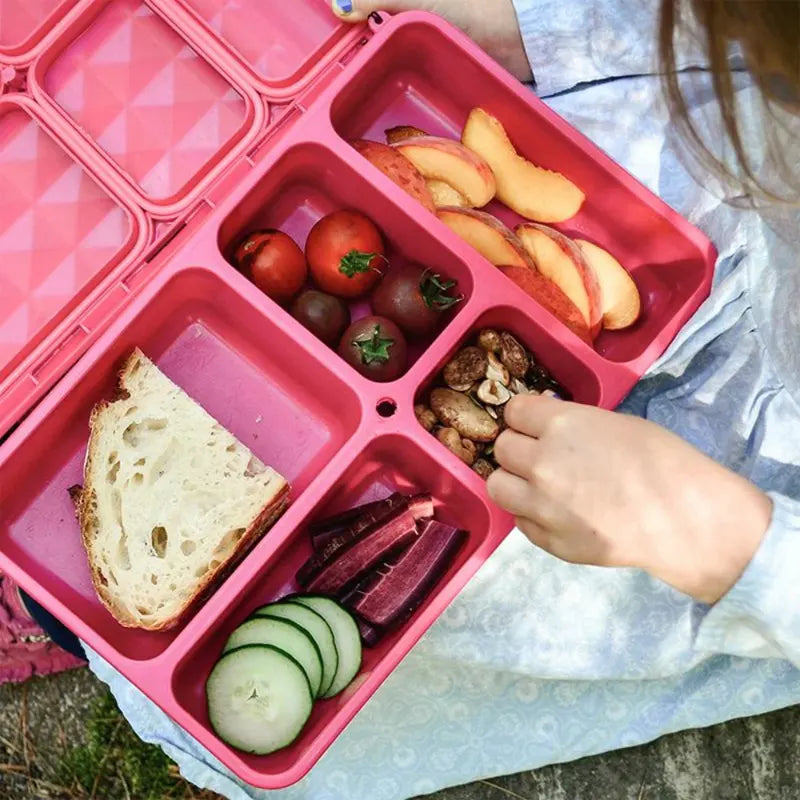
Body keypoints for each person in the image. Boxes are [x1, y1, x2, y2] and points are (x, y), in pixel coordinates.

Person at [83, 2, 799, 799]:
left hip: (751, 501)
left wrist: (729, 546)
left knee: (435, 631)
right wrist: (537, 32)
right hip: (730, 198)